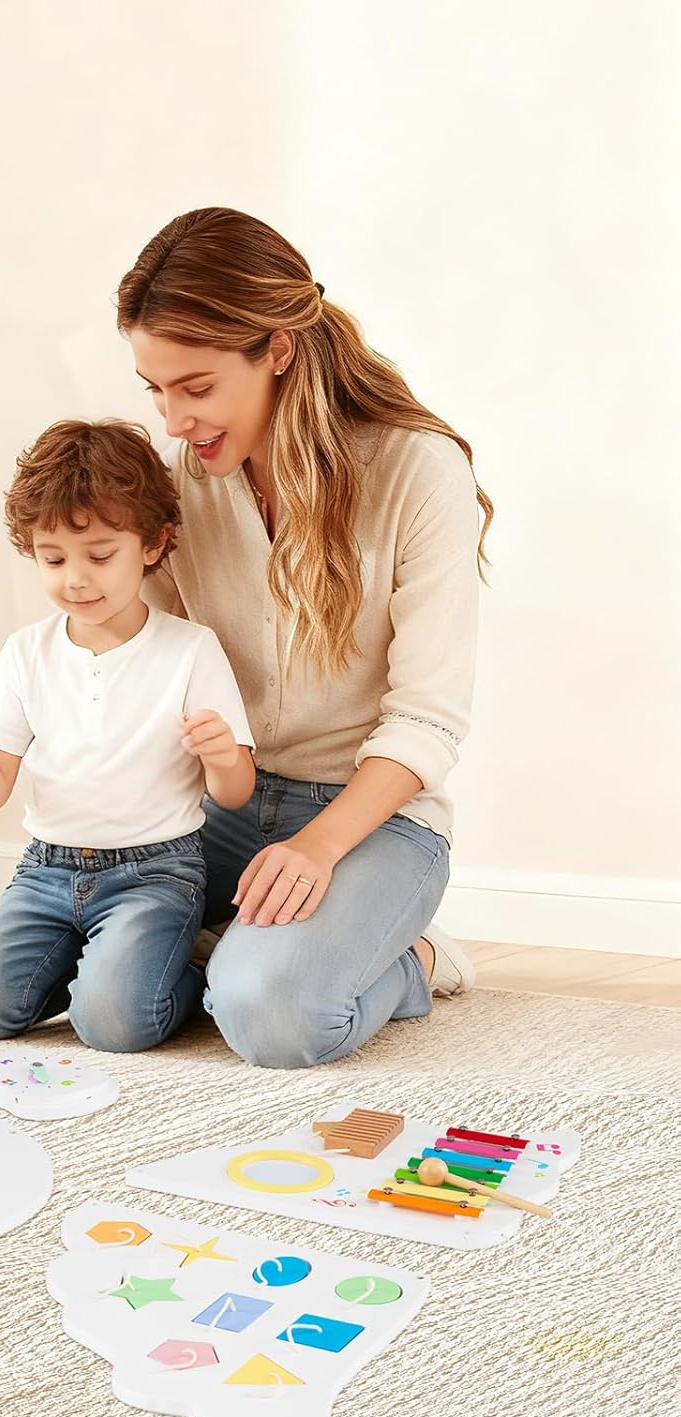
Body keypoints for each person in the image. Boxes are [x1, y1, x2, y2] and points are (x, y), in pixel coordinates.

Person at [117, 206, 489, 1067]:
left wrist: (319, 848)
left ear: (277, 350)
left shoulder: (416, 470)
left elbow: (428, 717)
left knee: (270, 1013)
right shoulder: (185, 481)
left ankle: (414, 958)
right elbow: (149, 654)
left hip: (373, 819)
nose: (174, 420)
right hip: (228, 797)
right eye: (157, 389)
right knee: (81, 972)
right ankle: (258, 944)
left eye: (197, 387)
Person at [0, 418, 255, 1052]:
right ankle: (107, 966)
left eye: (100, 556)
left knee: (115, 1025)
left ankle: (183, 967)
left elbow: (235, 792)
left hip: (156, 874)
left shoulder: (190, 649)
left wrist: (220, 755)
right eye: (54, 559)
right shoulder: (26, 653)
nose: (76, 578)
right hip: (45, 872)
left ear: (153, 545)